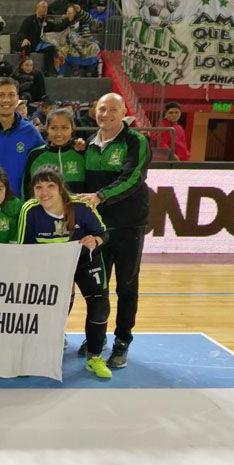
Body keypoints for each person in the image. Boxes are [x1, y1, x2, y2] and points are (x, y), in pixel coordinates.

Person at [76, 93, 150, 369]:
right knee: (100, 287)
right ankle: (98, 338)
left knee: (127, 286)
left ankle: (122, 341)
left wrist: (101, 196)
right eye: (101, 108)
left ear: (123, 113)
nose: (105, 114)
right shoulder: (90, 145)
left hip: (129, 227)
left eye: (112, 110)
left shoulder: (136, 141)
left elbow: (132, 178)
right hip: (100, 231)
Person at [18, 164, 110, 378]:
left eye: (50, 185)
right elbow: (24, 250)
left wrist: (95, 240)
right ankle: (47, 349)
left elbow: (104, 234)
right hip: (51, 264)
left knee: (99, 305)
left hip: (86, 261)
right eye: (38, 187)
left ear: (61, 188)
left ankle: (94, 356)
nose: (44, 192)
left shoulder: (82, 206)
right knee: (53, 306)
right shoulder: (30, 210)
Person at [23, 107, 85, 196]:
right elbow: (27, 189)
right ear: (47, 129)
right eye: (54, 128)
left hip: (76, 209)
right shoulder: (35, 155)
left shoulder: (81, 153)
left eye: (64, 128)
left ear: (72, 129)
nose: (59, 133)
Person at [15, 0, 69, 76]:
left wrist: (66, 20)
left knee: (51, 48)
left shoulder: (47, 21)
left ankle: (47, 71)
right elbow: (22, 31)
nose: (46, 9)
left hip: (40, 45)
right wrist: (24, 38)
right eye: (43, 7)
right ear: (37, 8)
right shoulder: (29, 19)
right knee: (25, 46)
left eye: (46, 7)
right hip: (29, 44)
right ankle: (23, 70)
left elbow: (57, 28)